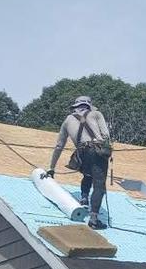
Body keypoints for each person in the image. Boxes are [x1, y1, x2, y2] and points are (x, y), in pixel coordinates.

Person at [46, 96, 111, 229]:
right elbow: (106, 136)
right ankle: (93, 219)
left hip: (81, 154)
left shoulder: (67, 120)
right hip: (96, 151)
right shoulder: (96, 114)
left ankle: (84, 197)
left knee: (87, 174)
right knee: (99, 186)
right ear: (89, 105)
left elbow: (59, 146)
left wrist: (51, 168)